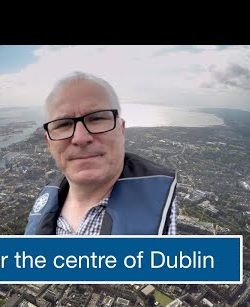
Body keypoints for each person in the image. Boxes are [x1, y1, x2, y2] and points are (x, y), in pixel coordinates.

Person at [24, 71, 177, 235]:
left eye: (96, 118)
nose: (81, 138)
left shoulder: (170, 207)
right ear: (49, 143)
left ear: (121, 129)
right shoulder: (42, 207)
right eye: (63, 124)